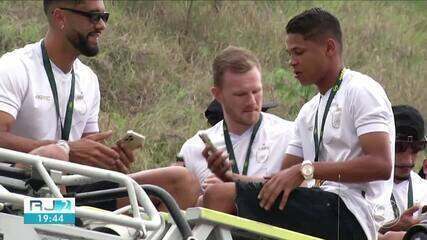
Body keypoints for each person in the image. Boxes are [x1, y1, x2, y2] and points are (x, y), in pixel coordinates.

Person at [202, 8, 395, 240]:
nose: (292, 62)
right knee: (210, 197)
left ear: (329, 48)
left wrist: (307, 169)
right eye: (290, 54)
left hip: (354, 214)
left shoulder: (361, 90)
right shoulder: (308, 111)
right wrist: (232, 177)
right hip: (322, 204)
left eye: (299, 52)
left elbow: (381, 165)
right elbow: (278, 180)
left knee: (221, 197)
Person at [0, 0, 199, 210]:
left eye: (105, 17)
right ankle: (61, 224)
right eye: (94, 17)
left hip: (70, 191)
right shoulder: (15, 67)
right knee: (53, 156)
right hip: (15, 190)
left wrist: (107, 158)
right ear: (60, 17)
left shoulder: (88, 79)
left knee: (182, 181)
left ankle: (87, 225)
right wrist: (65, 149)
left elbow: (85, 156)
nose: (102, 25)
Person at [178, 46, 294, 195]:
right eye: (241, 94)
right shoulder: (195, 147)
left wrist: (232, 183)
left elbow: (302, 192)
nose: (252, 101)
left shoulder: (289, 135)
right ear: (218, 94)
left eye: (256, 91)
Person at [379, 105, 427, 237]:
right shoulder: (360, 187)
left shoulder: (424, 190)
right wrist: (386, 229)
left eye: (416, 148)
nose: (408, 160)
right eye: (399, 147)